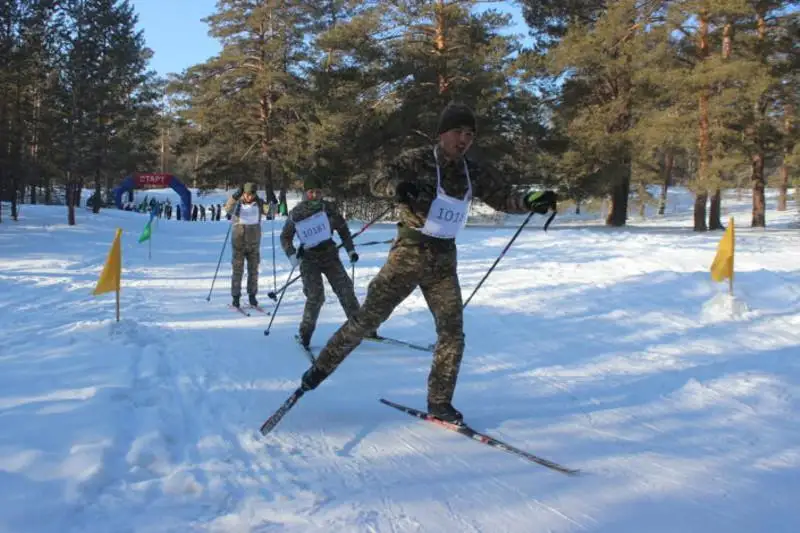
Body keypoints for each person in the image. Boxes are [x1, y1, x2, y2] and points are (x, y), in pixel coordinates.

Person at [298, 102, 557, 423]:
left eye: (470, 135)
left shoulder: (472, 171)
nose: (464, 140)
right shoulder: (417, 159)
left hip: (443, 261)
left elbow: (503, 196)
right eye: (458, 132)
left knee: (452, 333)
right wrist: (397, 187)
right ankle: (319, 370)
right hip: (408, 254)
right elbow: (378, 179)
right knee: (365, 321)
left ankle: (439, 403)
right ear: (442, 133)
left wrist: (531, 200)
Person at [280, 176, 370, 348]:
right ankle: (305, 334)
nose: (314, 195)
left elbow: (343, 230)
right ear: (305, 193)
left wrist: (350, 250)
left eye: (318, 192)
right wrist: (292, 254)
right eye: (311, 192)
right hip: (309, 259)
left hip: (330, 256)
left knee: (346, 290)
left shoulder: (329, 209)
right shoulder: (297, 213)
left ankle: (359, 328)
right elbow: (285, 236)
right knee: (316, 296)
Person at [224, 183, 273, 308]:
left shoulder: (259, 203)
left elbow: (270, 212)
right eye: (247, 194)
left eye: (252, 195)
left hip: (254, 243)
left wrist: (273, 205)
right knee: (237, 271)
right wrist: (234, 197)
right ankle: (236, 297)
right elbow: (228, 208)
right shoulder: (238, 203)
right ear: (243, 193)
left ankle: (252, 295)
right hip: (238, 243)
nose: (249, 197)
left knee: (253, 271)